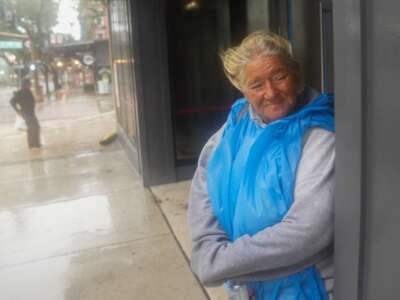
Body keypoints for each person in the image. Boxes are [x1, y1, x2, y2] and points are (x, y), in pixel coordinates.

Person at [188, 31, 335, 300]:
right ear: (242, 88)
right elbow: (206, 178)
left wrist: (219, 262)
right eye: (256, 85)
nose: (270, 93)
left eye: (280, 77)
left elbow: (309, 231)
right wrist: (208, 244)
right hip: (249, 290)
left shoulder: (319, 134)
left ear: (296, 74)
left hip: (303, 290)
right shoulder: (240, 119)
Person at [10, 78, 41, 149]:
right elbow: (12, 101)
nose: (30, 85)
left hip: (30, 112)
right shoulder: (20, 92)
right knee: (33, 127)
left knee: (35, 127)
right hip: (26, 113)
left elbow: (31, 101)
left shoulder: (28, 91)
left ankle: (35, 144)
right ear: (26, 84)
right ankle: (33, 145)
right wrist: (18, 110)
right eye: (29, 83)